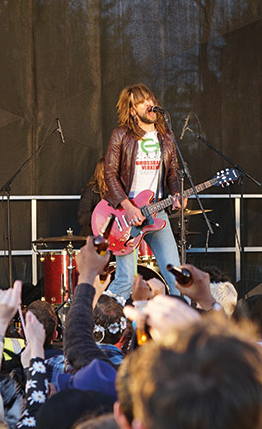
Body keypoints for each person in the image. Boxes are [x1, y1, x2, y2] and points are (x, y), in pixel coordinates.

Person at [103, 84, 185, 298]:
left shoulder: (166, 137)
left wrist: (177, 193)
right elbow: (109, 173)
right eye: (141, 102)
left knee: (177, 279)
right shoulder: (121, 135)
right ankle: (101, 317)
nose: (149, 104)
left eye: (150, 99)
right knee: (125, 279)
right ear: (132, 110)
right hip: (127, 215)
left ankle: (183, 318)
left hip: (157, 211)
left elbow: (173, 173)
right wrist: (127, 206)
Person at [78, 158, 107, 236]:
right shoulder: (91, 191)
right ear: (102, 174)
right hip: (93, 236)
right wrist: (104, 215)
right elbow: (83, 218)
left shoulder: (118, 191)